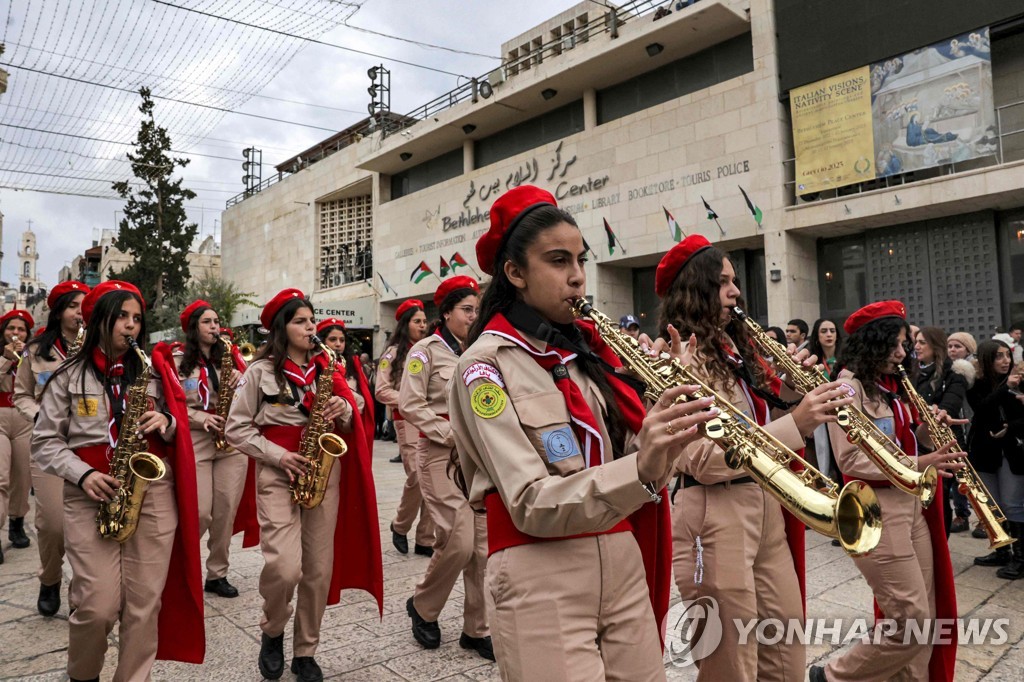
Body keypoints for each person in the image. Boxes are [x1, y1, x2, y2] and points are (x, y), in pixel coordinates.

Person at [450, 186, 710, 680]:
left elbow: (632, 463)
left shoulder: (586, 357)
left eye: (580, 260)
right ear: (515, 273)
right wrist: (640, 466)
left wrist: (667, 416)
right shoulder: (483, 367)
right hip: (539, 571)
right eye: (557, 260)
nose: (576, 276)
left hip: (622, 560)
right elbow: (527, 500)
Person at [658, 234, 854, 681]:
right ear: (696, 289)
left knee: (787, 650)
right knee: (731, 661)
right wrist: (798, 423)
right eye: (722, 282)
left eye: (734, 281)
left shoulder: (734, 353)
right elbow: (703, 458)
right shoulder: (675, 359)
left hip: (765, 506)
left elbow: (761, 420)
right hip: (714, 512)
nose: (735, 292)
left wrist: (793, 391)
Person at [31, 280, 204, 681]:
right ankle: (83, 674)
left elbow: (181, 422)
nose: (131, 326)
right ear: (99, 320)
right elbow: (43, 444)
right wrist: (84, 473)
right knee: (97, 605)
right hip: (90, 494)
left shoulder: (155, 372)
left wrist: (167, 420)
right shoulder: (67, 376)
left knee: (146, 605)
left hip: (151, 494)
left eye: (137, 318)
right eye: (122, 316)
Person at [226, 289, 381, 682]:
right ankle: (273, 629)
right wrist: (279, 456)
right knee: (284, 567)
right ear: (282, 327)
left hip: (323, 474)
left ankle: (306, 650)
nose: (310, 327)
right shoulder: (258, 373)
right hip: (278, 473)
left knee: (317, 571)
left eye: (312, 320)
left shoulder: (329, 367)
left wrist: (345, 408)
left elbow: (353, 419)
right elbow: (236, 429)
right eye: (300, 321)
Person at [811, 301, 961, 682]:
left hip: (911, 506)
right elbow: (851, 462)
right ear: (871, 344)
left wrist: (931, 427)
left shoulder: (892, 386)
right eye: (893, 344)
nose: (901, 353)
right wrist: (922, 463)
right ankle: (832, 676)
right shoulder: (846, 387)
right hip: (876, 512)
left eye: (904, 345)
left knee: (926, 616)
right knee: (910, 620)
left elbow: (907, 437)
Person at [402, 275, 492, 660]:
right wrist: (450, 433)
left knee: (483, 548)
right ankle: (423, 605)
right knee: (458, 539)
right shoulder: (424, 351)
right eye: (466, 310)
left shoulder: (482, 350)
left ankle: (477, 629)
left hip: (480, 457)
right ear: (447, 313)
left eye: (476, 309)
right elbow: (410, 403)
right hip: (440, 453)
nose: (474, 316)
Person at [13, 281, 89, 614]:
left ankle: (84, 590)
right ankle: (50, 578)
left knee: (86, 527)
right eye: (73, 305)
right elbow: (21, 395)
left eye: (84, 306)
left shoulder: (97, 346)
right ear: (59, 312)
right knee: (53, 524)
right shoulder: (36, 351)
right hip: (48, 444)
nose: (79, 312)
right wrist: (42, 414)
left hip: (88, 443)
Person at [166, 300, 249, 598]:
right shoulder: (177, 360)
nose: (215, 327)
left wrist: (242, 380)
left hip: (230, 441)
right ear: (193, 328)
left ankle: (217, 573)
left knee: (226, 510)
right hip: (197, 438)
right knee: (200, 512)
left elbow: (252, 396)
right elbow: (170, 405)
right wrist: (201, 417)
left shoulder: (230, 356)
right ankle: (179, 566)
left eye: (216, 321)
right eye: (207, 322)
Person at [377, 300, 435, 556]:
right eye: (417, 322)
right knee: (418, 477)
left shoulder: (429, 349)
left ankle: (425, 538)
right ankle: (400, 525)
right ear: (405, 324)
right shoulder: (393, 353)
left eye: (424, 321)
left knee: (433, 478)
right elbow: (381, 390)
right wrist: (408, 400)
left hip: (431, 418)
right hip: (406, 419)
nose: (422, 326)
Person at [967, 339, 1024, 579]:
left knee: (1013, 504)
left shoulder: (1021, 381)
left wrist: (1009, 427)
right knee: (991, 504)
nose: (1005, 361)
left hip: (1013, 451)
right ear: (986, 360)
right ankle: (1001, 551)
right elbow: (980, 409)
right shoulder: (975, 383)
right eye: (998, 356)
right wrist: (1003, 389)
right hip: (984, 451)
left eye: (1007, 355)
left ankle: (1020, 559)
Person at [913, 326, 972, 535]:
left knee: (940, 498)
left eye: (922, 342)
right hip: (919, 445)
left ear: (935, 346)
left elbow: (950, 407)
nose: (916, 346)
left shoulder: (955, 374)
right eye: (916, 342)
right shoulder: (915, 372)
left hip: (944, 445)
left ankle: (941, 547)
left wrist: (935, 412)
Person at [1, 309, 33, 560]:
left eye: (21, 329)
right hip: (0, 417)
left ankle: (17, 522)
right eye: (11, 328)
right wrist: (7, 359)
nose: (16, 333)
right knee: (1, 477)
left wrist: (22, 358)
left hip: (24, 419)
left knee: (22, 477)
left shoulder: (33, 356)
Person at [807, 318, 842, 476]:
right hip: (822, 418)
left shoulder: (846, 360)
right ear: (817, 336)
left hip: (844, 414)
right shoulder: (812, 363)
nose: (829, 334)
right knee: (826, 462)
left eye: (832, 331)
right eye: (824, 331)